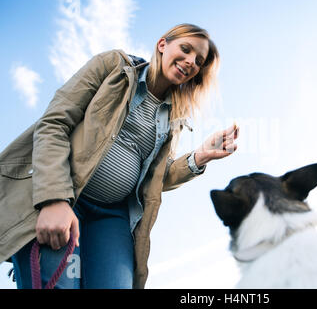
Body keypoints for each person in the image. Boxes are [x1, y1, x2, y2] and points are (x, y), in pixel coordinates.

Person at [0, 23, 239, 289]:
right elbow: (54, 124)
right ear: (162, 45)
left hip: (112, 218)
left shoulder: (173, 117)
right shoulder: (113, 66)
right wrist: (54, 199)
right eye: (185, 49)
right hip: (68, 196)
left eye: (199, 61)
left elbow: (154, 179)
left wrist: (200, 156)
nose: (190, 61)